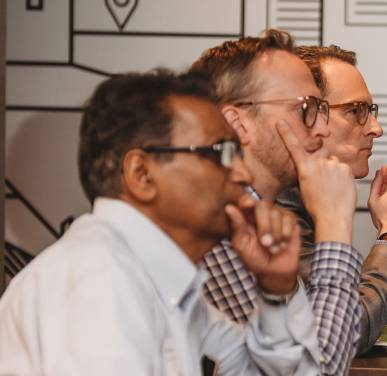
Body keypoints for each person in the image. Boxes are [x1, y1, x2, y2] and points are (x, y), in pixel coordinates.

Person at [0, 71, 321, 375]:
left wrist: (275, 289)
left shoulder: (158, 281)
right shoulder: (97, 279)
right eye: (220, 153)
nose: (243, 173)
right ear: (141, 174)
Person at [189, 29, 363, 375]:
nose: (323, 129)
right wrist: (334, 224)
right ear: (237, 124)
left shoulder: (258, 221)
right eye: (307, 109)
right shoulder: (220, 232)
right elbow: (317, 370)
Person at [275, 45, 387, 352]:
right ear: (306, 117)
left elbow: (342, 312)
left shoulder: (303, 201)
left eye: (371, 111)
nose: (376, 129)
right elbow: (348, 331)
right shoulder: (277, 212)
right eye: (356, 111)